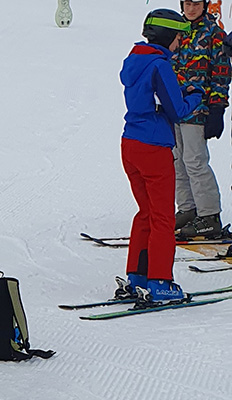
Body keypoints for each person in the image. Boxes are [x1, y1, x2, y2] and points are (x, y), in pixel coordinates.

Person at [118, 9, 203, 302]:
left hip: (130, 143)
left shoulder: (134, 60)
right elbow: (177, 110)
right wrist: (196, 95)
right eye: (179, 37)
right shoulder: (160, 65)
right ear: (167, 36)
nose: (179, 43)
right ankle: (160, 281)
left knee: (146, 213)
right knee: (164, 217)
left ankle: (137, 276)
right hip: (154, 147)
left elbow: (151, 95)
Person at [171, 0, 230, 237]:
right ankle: (188, 208)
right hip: (175, 107)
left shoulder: (215, 33)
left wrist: (217, 107)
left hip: (199, 109)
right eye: (187, 3)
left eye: (196, 3)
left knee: (195, 161)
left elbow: (222, 72)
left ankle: (209, 215)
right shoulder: (176, 30)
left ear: (205, 5)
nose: (191, 8)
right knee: (177, 160)